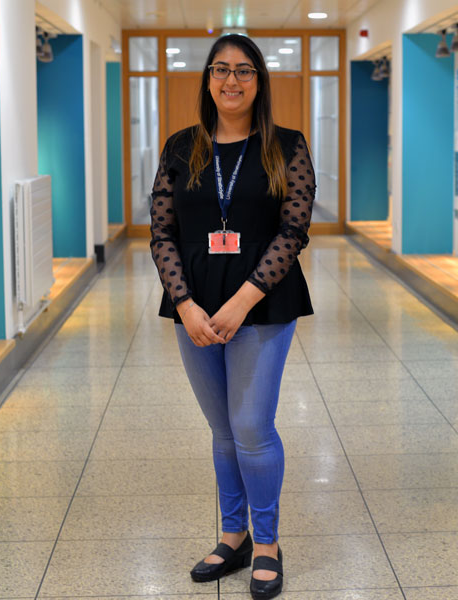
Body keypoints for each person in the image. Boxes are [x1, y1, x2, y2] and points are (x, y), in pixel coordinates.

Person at [149, 34, 315, 600]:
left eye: (244, 71)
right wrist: (186, 305)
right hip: (194, 308)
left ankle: (266, 543)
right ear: (208, 80)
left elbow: (294, 231)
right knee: (222, 430)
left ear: (260, 82)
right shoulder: (180, 148)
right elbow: (162, 233)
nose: (231, 81)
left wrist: (243, 300)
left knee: (251, 427)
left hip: (262, 304)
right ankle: (233, 533)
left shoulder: (286, 146)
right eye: (220, 70)